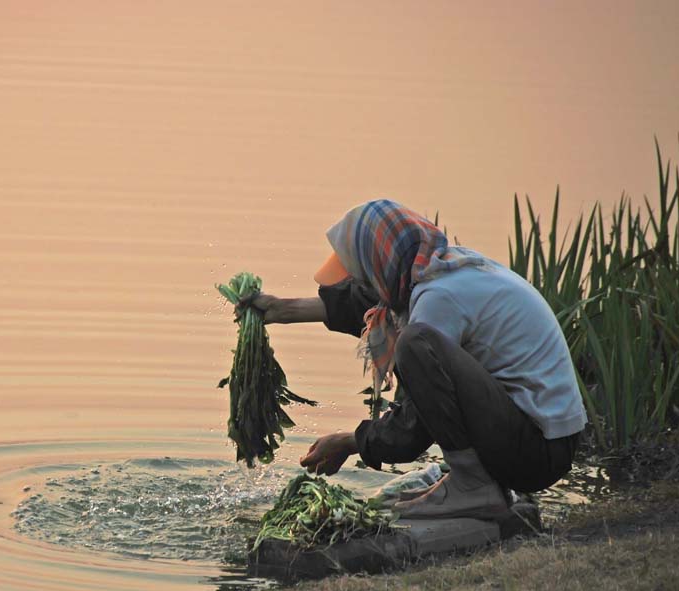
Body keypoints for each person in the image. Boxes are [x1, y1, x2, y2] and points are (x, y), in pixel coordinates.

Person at [245, 199, 587, 520]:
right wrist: (281, 310)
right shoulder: (443, 268)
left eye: (363, 270)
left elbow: (413, 428)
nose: (363, 280)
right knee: (412, 333)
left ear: (381, 262)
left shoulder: (437, 299)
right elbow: (374, 303)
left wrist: (350, 442)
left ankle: (472, 486)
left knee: (414, 343)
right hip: (543, 439)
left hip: (537, 453)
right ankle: (473, 478)